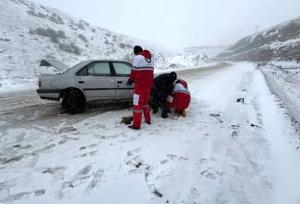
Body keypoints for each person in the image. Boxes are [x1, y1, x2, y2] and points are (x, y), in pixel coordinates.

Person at [127, 45, 154, 130]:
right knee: (145, 103)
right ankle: (148, 120)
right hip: (148, 85)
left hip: (140, 85)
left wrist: (130, 80)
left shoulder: (137, 57)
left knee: (137, 105)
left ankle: (136, 125)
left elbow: (134, 71)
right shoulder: (151, 59)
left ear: (136, 52)